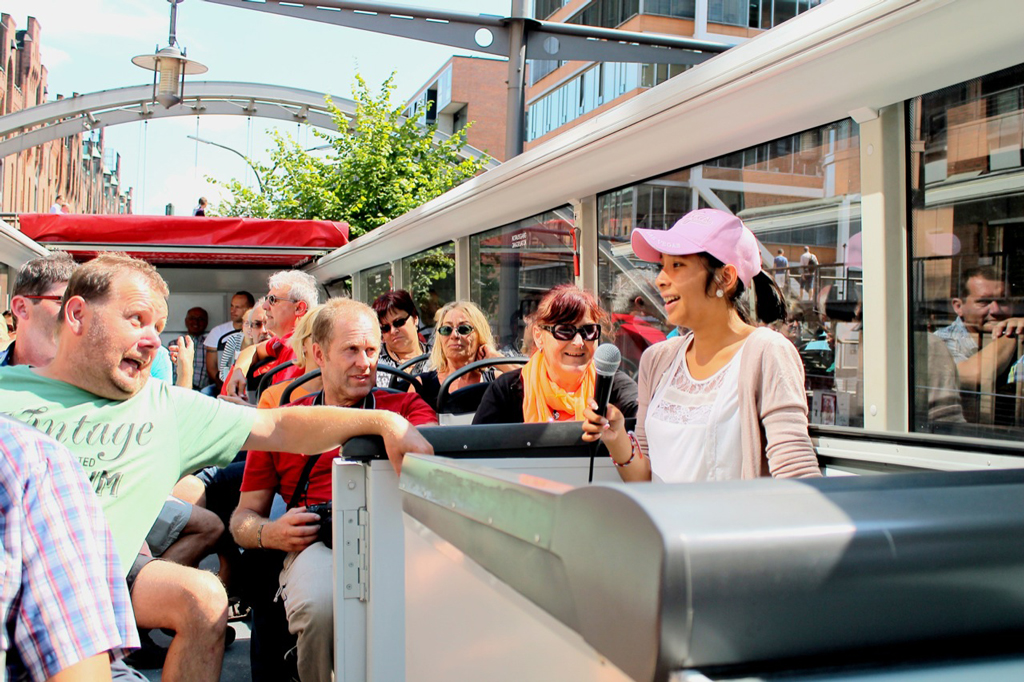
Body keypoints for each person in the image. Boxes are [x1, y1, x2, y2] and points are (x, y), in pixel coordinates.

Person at [0, 253, 432, 682]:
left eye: (157, 325)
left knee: (205, 596)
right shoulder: (8, 397)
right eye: (136, 319)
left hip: (84, 603)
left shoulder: (165, 408)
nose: (154, 340)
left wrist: (385, 422)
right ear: (76, 314)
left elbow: (278, 425)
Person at [231, 298, 437, 682]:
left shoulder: (408, 407)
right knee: (324, 605)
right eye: (351, 350)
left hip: (398, 536)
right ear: (319, 355)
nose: (365, 362)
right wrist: (269, 533)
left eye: (372, 350)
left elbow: (429, 452)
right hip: (317, 541)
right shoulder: (285, 424)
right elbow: (242, 518)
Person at [582, 209, 821, 483]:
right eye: (662, 265)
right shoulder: (657, 360)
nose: (660, 279)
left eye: (677, 265)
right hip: (662, 526)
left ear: (725, 278)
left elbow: (797, 477)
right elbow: (645, 479)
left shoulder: (766, 352)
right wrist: (618, 439)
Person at [1, 416, 140, 682]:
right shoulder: (28, 457)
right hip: (85, 590)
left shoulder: (30, 458)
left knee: (201, 590)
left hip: (101, 569)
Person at [474, 285, 638, 424]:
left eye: (588, 331)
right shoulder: (506, 391)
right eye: (565, 331)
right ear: (539, 337)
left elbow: (644, 423)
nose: (578, 342)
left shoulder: (612, 386)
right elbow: (472, 453)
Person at [933, 266, 1023, 424]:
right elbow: (976, 375)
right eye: (984, 302)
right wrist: (1012, 333)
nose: (995, 310)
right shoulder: (941, 341)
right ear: (958, 307)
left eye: (1003, 302)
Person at [224, 271, 320, 398]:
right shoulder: (285, 341)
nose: (264, 306)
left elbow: (284, 413)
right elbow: (255, 349)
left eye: (273, 300)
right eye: (267, 299)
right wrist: (239, 371)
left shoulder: (304, 349)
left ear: (299, 308)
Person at [416, 301, 511, 411]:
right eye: (447, 329)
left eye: (464, 329)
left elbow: (532, 383)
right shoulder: (422, 385)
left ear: (479, 334)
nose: (455, 335)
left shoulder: (496, 381)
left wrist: (495, 357)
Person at [0, 252, 76, 368]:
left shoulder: (92, 382)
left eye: (80, 305)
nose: (76, 314)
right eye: (63, 301)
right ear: (22, 307)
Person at [257, 304, 324, 410]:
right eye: (321, 336)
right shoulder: (275, 396)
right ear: (303, 343)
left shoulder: (354, 393)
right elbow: (256, 349)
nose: (329, 344)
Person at [372, 290, 429, 389]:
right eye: (385, 328)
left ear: (415, 319)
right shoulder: (373, 362)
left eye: (399, 322)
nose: (393, 331)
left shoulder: (436, 356)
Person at [205, 292, 254, 390]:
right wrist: (224, 387)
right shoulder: (219, 333)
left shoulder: (261, 332)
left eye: (238, 307)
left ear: (250, 309)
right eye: (231, 306)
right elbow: (212, 368)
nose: (232, 310)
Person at [219, 303, 271, 383]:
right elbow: (223, 370)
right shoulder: (234, 339)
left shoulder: (273, 343)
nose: (249, 328)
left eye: (266, 323)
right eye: (247, 324)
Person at [183, 307, 211, 392]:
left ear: (206, 323)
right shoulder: (175, 344)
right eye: (192, 318)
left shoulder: (210, 345)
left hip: (202, 393)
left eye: (201, 319)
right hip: (177, 391)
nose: (196, 322)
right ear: (186, 321)